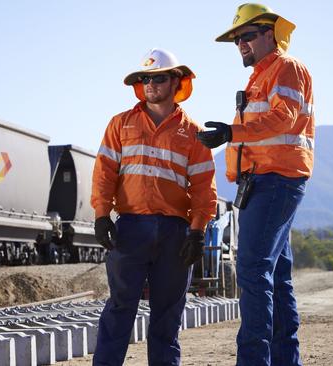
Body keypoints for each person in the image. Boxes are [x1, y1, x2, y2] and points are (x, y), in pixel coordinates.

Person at [196, 4, 314, 365]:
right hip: (263, 181)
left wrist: (232, 132)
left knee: (252, 268)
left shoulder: (286, 68)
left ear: (269, 33)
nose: (240, 44)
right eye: (236, 39)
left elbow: (284, 118)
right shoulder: (260, 77)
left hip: (276, 180)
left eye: (247, 36)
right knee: (276, 276)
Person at [90, 48, 217, 366]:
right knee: (120, 309)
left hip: (175, 234)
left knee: (167, 317)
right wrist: (102, 215)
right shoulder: (121, 125)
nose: (150, 84)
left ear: (176, 81)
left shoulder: (194, 134)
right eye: (145, 79)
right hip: (130, 229)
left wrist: (197, 232)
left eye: (158, 78)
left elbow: (203, 188)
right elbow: (104, 173)